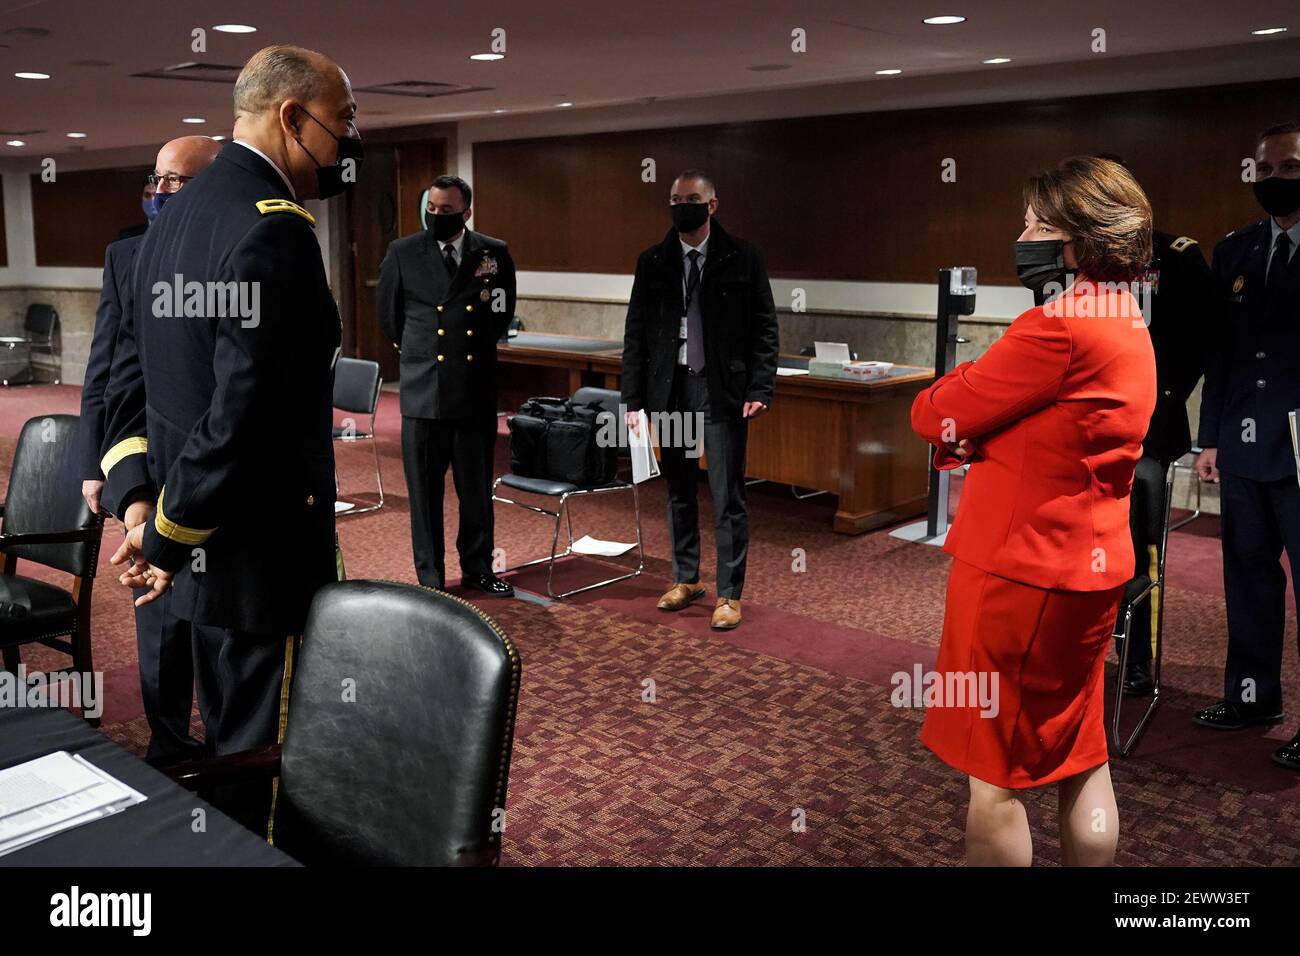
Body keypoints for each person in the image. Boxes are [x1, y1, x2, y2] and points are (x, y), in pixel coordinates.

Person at [97, 44, 358, 821]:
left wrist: (147, 514)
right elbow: (244, 419)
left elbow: (136, 387)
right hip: (259, 560)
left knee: (228, 742)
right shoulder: (272, 231)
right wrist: (171, 534)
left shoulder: (175, 219)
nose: (350, 141)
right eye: (342, 121)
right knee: (269, 763)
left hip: (197, 557)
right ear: (293, 116)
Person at [911, 156, 1156, 865]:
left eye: (1036, 224)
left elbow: (936, 412)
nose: (1023, 235)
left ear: (1081, 238)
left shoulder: (1060, 326)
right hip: (1090, 568)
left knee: (994, 783)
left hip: (1022, 576)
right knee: (1082, 756)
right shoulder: (1125, 318)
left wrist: (971, 408)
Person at [77, 135, 219, 764]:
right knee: (158, 621)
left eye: (175, 182)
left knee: (218, 631)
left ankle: (230, 758)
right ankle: (168, 744)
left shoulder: (248, 250)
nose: (159, 193)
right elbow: (109, 374)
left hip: (228, 487)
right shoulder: (127, 256)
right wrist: (111, 477)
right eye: (154, 181)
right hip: (152, 467)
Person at [620, 169, 778, 630]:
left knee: (727, 495)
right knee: (678, 491)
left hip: (721, 389)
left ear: (712, 205)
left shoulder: (742, 257)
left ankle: (729, 593)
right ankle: (686, 578)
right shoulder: (653, 261)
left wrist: (760, 387)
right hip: (671, 389)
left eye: (691, 198)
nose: (680, 206)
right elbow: (636, 335)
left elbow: (765, 329)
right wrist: (633, 399)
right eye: (674, 198)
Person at [1192, 120, 1300, 771]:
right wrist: (1210, 438)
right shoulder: (1235, 249)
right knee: (1248, 578)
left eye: (1288, 168)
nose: (1273, 180)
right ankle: (1253, 697)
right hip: (1244, 445)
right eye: (1265, 169)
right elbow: (1222, 353)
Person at [1092, 154, 1216, 696]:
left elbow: (1198, 344)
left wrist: (1160, 402)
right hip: (1081, 435)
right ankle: (1085, 645)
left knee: (1138, 552)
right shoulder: (1076, 260)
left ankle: (1135, 656)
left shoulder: (1177, 257)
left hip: (1146, 434)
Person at [377, 174, 517, 596]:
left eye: (447, 211)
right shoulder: (403, 252)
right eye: (432, 210)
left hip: (473, 390)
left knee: (475, 492)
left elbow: (502, 312)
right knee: (424, 495)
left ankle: (478, 568)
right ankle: (431, 578)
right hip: (423, 393)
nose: (437, 216)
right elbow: (389, 317)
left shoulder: (492, 252)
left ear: (466, 212)